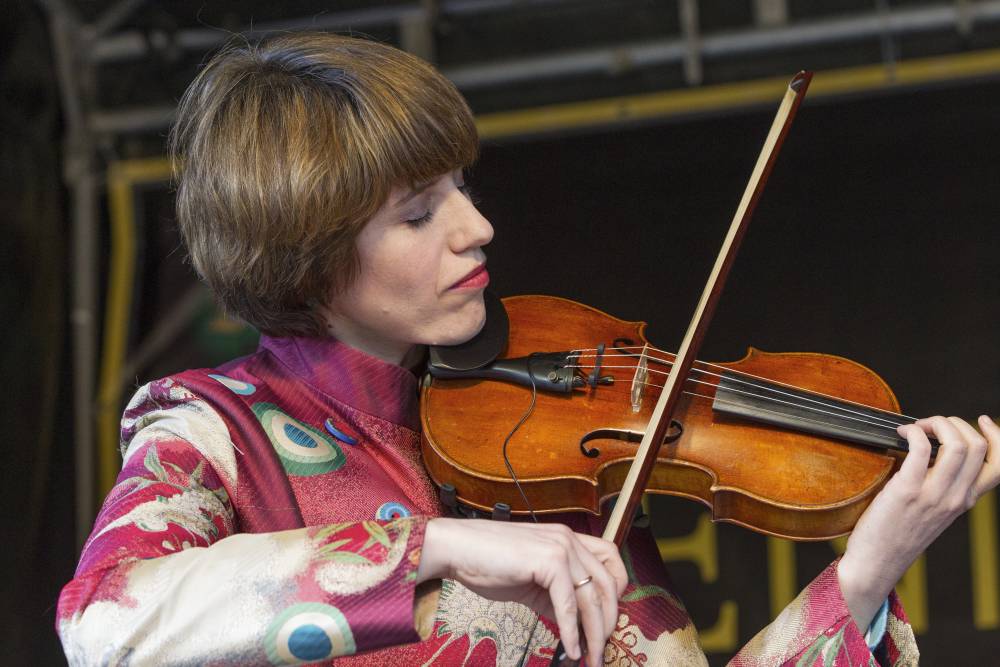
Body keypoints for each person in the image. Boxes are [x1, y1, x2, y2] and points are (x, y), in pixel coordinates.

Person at [56, 33, 1000, 666]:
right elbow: (103, 621)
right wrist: (438, 546)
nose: (478, 228)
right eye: (419, 214)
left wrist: (864, 577)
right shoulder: (216, 430)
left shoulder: (545, 458)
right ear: (305, 255)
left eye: (461, 189)